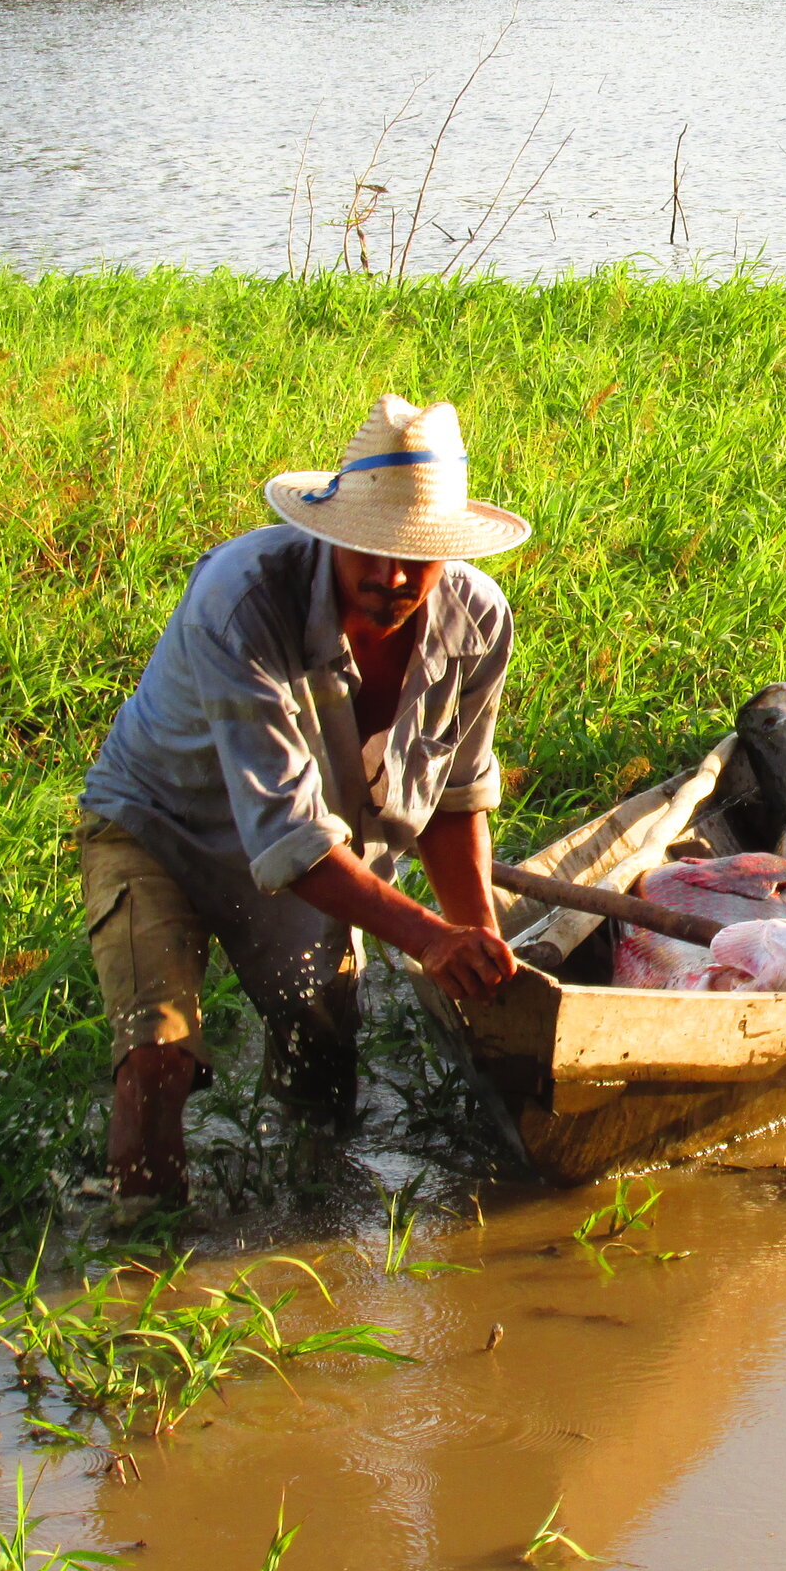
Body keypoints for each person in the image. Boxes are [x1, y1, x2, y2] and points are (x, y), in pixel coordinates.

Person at [76, 396, 527, 1212]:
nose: (391, 576)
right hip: (159, 826)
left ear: (447, 551)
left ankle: (311, 1219)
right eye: (370, 548)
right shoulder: (243, 601)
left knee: (323, 1075)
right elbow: (288, 834)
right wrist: (429, 938)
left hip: (310, 849)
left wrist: (479, 947)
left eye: (415, 556)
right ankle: (140, 1246)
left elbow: (455, 797)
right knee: (158, 1054)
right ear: (331, 531)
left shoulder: (477, 621)